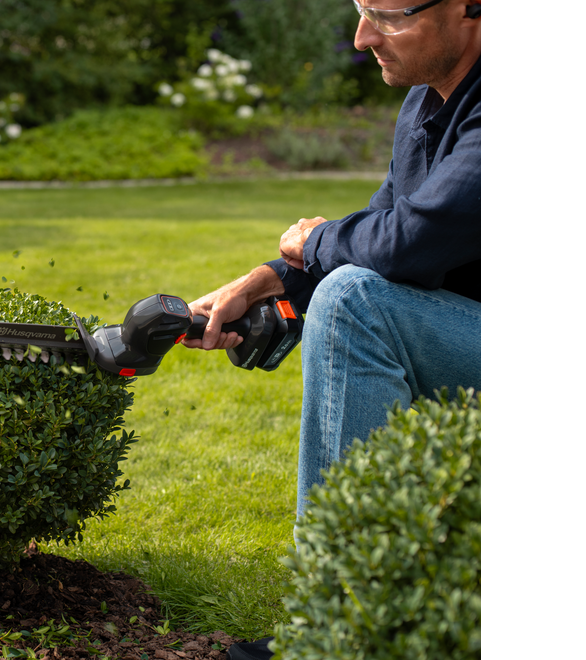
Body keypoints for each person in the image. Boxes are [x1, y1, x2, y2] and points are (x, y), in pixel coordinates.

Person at [185, 2, 481, 656]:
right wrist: (265, 283)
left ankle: (336, 628)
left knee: (354, 302)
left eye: (386, 15)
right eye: (359, 9)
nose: (361, 37)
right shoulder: (427, 101)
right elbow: (383, 232)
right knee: (352, 289)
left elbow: (410, 242)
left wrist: (316, 241)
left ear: (471, 7)